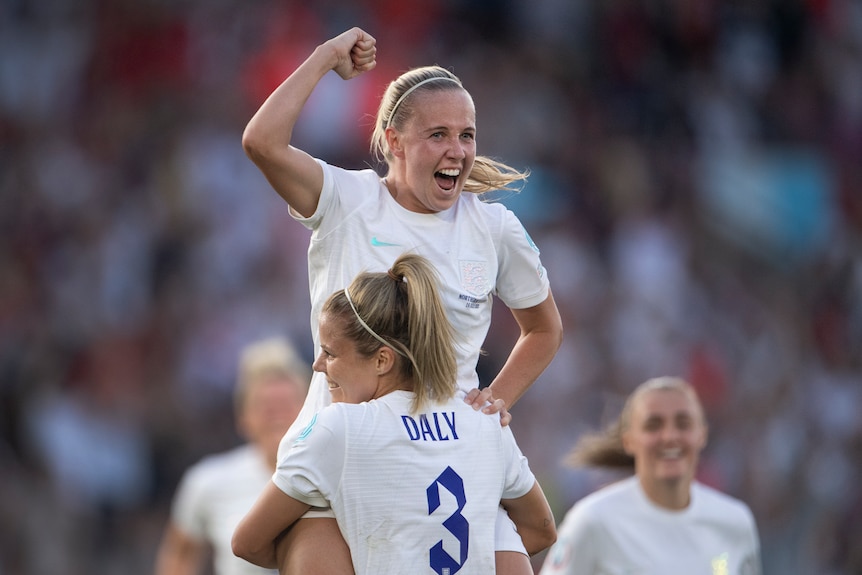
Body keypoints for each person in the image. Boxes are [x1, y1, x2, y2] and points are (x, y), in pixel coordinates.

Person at [241, 26, 563, 574]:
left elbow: (544, 329)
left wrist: (495, 399)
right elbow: (261, 142)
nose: (457, 151)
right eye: (438, 134)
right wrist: (323, 59)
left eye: (467, 135)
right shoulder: (346, 199)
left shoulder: (495, 228)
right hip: (345, 451)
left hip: (449, 456)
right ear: (393, 140)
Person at [232, 254, 557, 573]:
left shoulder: (339, 428)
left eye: (330, 353)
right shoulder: (485, 421)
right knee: (497, 520)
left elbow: (247, 543)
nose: (317, 366)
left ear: (382, 360)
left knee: (308, 521)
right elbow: (541, 530)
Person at [538, 376, 762, 575]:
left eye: (683, 424)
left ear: (701, 434)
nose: (670, 436)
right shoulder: (592, 521)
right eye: (653, 425)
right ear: (629, 441)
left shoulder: (735, 522)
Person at [154, 337, 310, 575]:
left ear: (309, 411)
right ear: (243, 417)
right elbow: (180, 554)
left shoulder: (334, 478)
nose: (277, 417)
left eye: (286, 404)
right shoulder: (208, 481)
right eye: (265, 406)